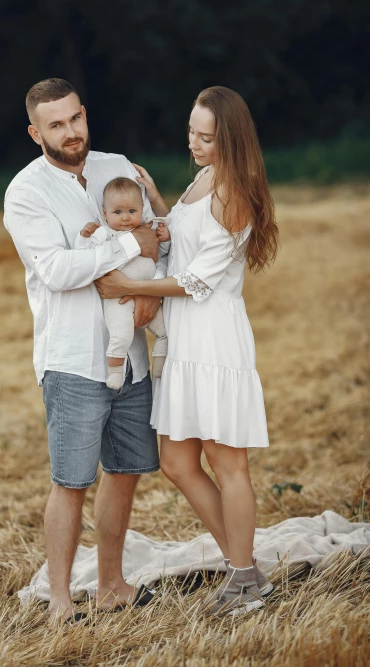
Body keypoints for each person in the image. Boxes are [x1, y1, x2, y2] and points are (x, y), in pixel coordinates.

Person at [95, 86, 280, 616]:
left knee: (227, 462)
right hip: (182, 341)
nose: (195, 144)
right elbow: (176, 237)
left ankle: (243, 579)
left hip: (214, 336)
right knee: (176, 460)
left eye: (207, 137)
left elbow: (198, 280)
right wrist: (154, 200)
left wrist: (125, 289)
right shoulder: (203, 180)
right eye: (191, 132)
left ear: (231, 138)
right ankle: (245, 568)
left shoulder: (234, 192)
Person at [3, 78, 162, 624]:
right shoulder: (26, 192)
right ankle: (62, 600)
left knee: (125, 471)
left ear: (85, 114)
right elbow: (56, 270)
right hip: (72, 358)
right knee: (71, 481)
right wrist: (125, 245)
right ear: (35, 132)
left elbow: (161, 234)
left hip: (131, 358)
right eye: (55, 124)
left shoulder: (117, 167)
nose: (70, 132)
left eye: (75, 119)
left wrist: (148, 291)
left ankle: (112, 586)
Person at [75, 176, 169, 390]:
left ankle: (160, 364)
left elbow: (161, 254)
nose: (125, 218)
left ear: (142, 209)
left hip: (148, 294)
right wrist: (83, 237)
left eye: (131, 211)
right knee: (121, 334)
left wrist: (165, 239)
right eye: (118, 212)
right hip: (119, 299)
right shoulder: (104, 234)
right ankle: (115, 371)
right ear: (105, 213)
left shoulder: (148, 230)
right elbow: (85, 256)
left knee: (165, 330)